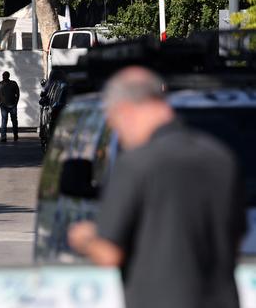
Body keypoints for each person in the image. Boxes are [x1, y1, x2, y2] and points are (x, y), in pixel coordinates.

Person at [68, 67, 246, 308]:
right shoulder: (221, 157)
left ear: (126, 110)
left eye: (115, 122)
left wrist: (85, 237)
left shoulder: (136, 164)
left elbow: (109, 253)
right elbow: (236, 237)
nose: (120, 131)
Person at [0, 71, 20, 142]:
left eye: (5, 75)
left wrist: (16, 103)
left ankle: (15, 135)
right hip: (3, 106)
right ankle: (3, 137)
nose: (4, 76)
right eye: (3, 75)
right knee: (4, 121)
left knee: (14, 121)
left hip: (12, 105)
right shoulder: (0, 84)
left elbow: (17, 93)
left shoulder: (13, 83)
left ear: (8, 76)